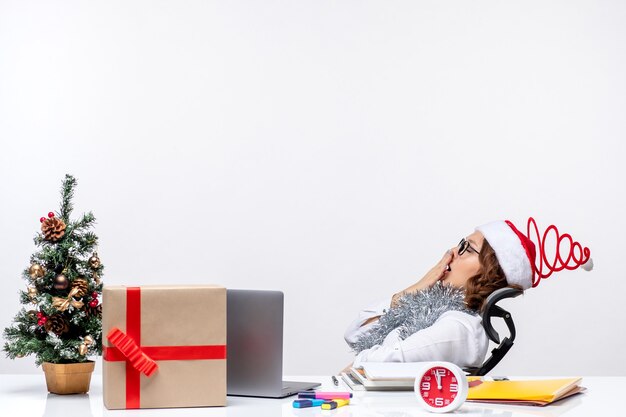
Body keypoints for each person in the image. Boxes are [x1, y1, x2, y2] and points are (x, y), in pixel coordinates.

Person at [344, 218, 592, 370]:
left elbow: (373, 365)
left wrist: (356, 367)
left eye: (467, 249)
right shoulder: (431, 311)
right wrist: (417, 288)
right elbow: (356, 336)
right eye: (460, 243)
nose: (452, 251)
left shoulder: (459, 328)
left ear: (490, 274)